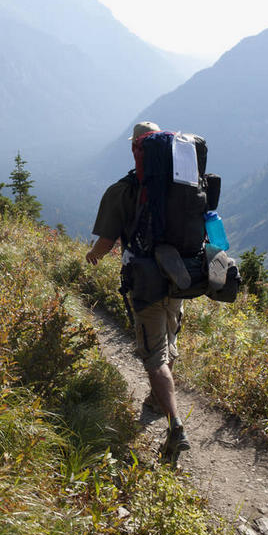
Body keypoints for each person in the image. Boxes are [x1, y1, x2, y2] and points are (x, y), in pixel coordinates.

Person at [85, 121, 191, 465]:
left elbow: (106, 239)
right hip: (179, 277)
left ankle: (176, 427)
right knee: (168, 341)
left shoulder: (124, 190)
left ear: (136, 148)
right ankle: (154, 401)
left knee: (153, 357)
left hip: (145, 283)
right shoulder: (183, 187)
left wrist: (93, 257)